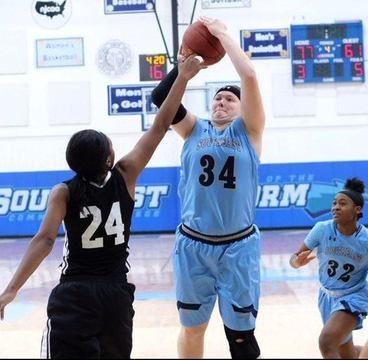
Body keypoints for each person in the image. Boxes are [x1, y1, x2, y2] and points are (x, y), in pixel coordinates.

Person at [0, 54, 206, 359]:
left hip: (76, 294)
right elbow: (162, 124)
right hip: (115, 296)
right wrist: (183, 78)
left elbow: (44, 241)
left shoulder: (63, 192)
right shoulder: (126, 174)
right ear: (108, 159)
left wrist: (11, 289)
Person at [151, 16, 265, 359]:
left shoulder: (250, 132)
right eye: (217, 99)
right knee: (192, 327)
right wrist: (182, 68)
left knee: (242, 337)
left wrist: (221, 34)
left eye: (230, 100)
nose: (221, 102)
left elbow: (249, 75)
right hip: (193, 246)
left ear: (243, 108)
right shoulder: (193, 129)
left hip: (238, 247)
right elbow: (161, 96)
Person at [289, 177, 368, 359]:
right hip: (326, 296)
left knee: (327, 341)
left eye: (342, 203)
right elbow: (294, 257)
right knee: (345, 353)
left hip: (354, 296)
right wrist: (296, 262)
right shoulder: (322, 229)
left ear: (357, 210)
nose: (336, 207)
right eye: (334, 203)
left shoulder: (365, 240)